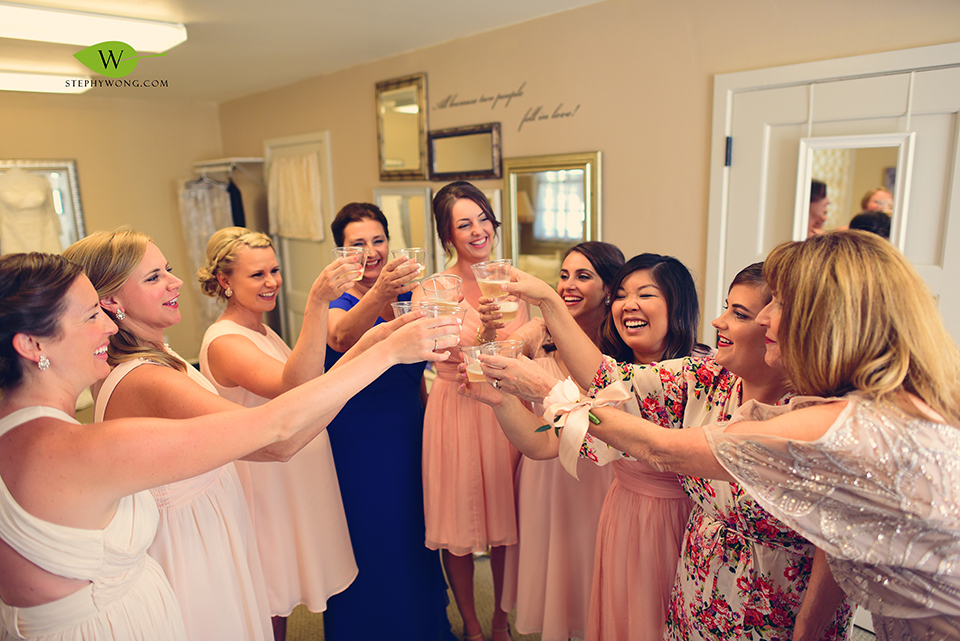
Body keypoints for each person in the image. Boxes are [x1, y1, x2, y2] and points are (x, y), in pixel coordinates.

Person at [486, 231, 960, 640]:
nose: (766, 318)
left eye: (778, 305)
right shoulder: (895, 402)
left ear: (827, 321)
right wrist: (546, 311)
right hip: (703, 587)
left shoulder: (838, 425)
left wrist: (549, 390)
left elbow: (661, 448)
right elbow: (614, 383)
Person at [0, 252, 457, 641]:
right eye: (90, 315)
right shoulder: (81, 445)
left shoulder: (24, 430)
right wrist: (384, 353)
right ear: (32, 344)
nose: (107, 324)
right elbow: (277, 431)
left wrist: (371, 344)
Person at [469, 252, 703, 641]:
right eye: (623, 295)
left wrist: (547, 299)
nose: (629, 305)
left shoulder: (699, 373)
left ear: (677, 306)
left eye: (645, 295)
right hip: (623, 514)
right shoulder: (608, 373)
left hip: (678, 521)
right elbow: (543, 442)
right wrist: (500, 401)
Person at [195, 228, 361, 640]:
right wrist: (318, 302)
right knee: (269, 592)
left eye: (274, 270)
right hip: (264, 485)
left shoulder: (261, 330)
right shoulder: (225, 342)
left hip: (289, 479)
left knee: (281, 590)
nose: (271, 282)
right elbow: (295, 385)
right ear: (224, 281)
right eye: (257, 275)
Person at [318, 205, 454, 641]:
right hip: (359, 439)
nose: (371, 251)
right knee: (371, 534)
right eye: (357, 244)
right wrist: (379, 291)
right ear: (342, 252)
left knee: (413, 531)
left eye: (378, 240)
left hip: (408, 430)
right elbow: (341, 337)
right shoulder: (336, 300)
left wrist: (430, 421)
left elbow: (419, 372)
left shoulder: (408, 298)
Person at [415, 181, 529, 641]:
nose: (479, 230)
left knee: (506, 522)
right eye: (464, 224)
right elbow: (437, 352)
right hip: (456, 406)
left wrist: (502, 338)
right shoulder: (432, 290)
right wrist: (486, 332)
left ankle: (501, 621)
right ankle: (473, 624)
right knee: (456, 522)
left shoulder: (513, 281)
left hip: (505, 409)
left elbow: (522, 350)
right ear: (448, 235)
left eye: (483, 218)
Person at [500, 241, 623, 641]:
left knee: (595, 567)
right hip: (545, 471)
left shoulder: (622, 342)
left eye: (583, 276)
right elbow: (500, 353)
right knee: (553, 567)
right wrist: (489, 328)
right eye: (564, 275)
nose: (568, 285)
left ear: (609, 288)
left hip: (600, 473)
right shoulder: (540, 332)